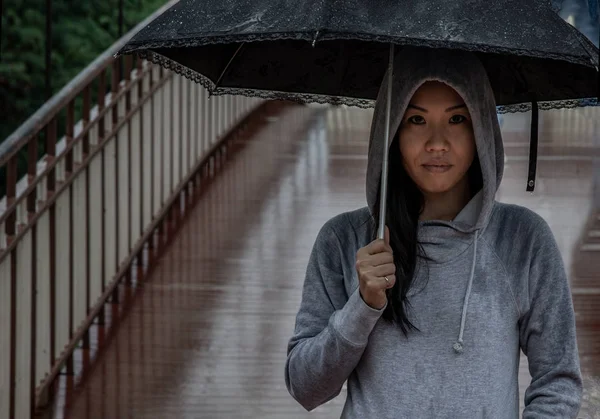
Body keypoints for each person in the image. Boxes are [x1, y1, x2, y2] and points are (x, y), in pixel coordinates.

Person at [284, 47, 583, 418]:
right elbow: (304, 386)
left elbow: (558, 381)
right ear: (390, 131)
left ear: (482, 132)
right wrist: (361, 306)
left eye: (457, 119)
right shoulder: (343, 239)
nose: (437, 143)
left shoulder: (523, 240)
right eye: (416, 120)